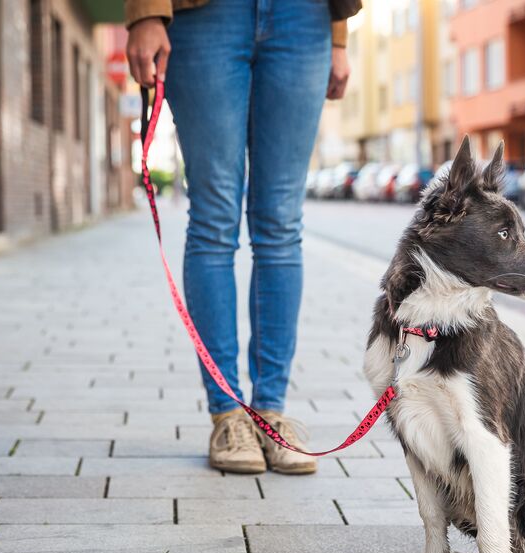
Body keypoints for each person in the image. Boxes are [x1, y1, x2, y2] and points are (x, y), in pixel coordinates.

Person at [125, 0, 354, 475]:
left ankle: (269, 412)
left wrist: (338, 36)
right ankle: (228, 414)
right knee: (213, 218)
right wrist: (146, 11)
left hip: (304, 16)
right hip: (205, 15)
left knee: (282, 226)